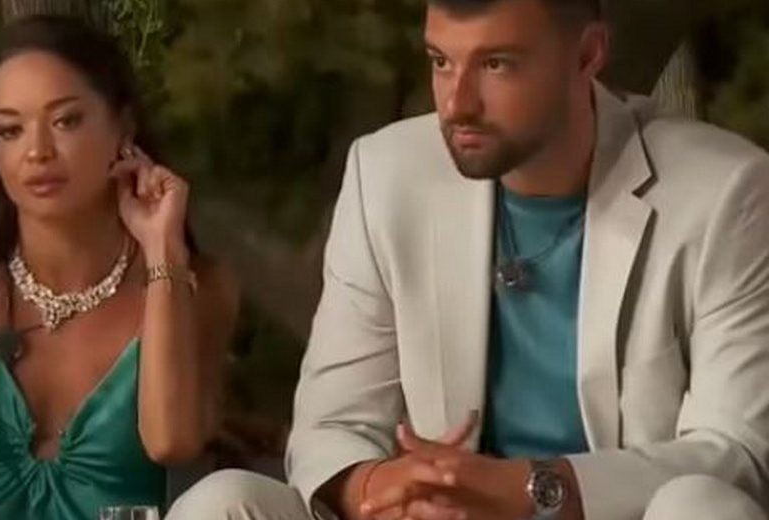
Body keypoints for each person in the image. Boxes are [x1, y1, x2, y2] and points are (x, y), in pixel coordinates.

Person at [167, 0, 769, 519]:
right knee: (223, 502)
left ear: (587, 55)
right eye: (441, 61)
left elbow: (738, 454)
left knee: (701, 507)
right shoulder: (386, 173)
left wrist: (530, 489)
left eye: (496, 64)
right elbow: (332, 425)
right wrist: (380, 488)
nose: (456, 104)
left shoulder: (722, 192)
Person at [0, 15, 240, 520]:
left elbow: (173, 441)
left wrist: (163, 249)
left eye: (65, 121)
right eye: (10, 130)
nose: (36, 152)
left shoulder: (199, 285)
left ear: (123, 127)